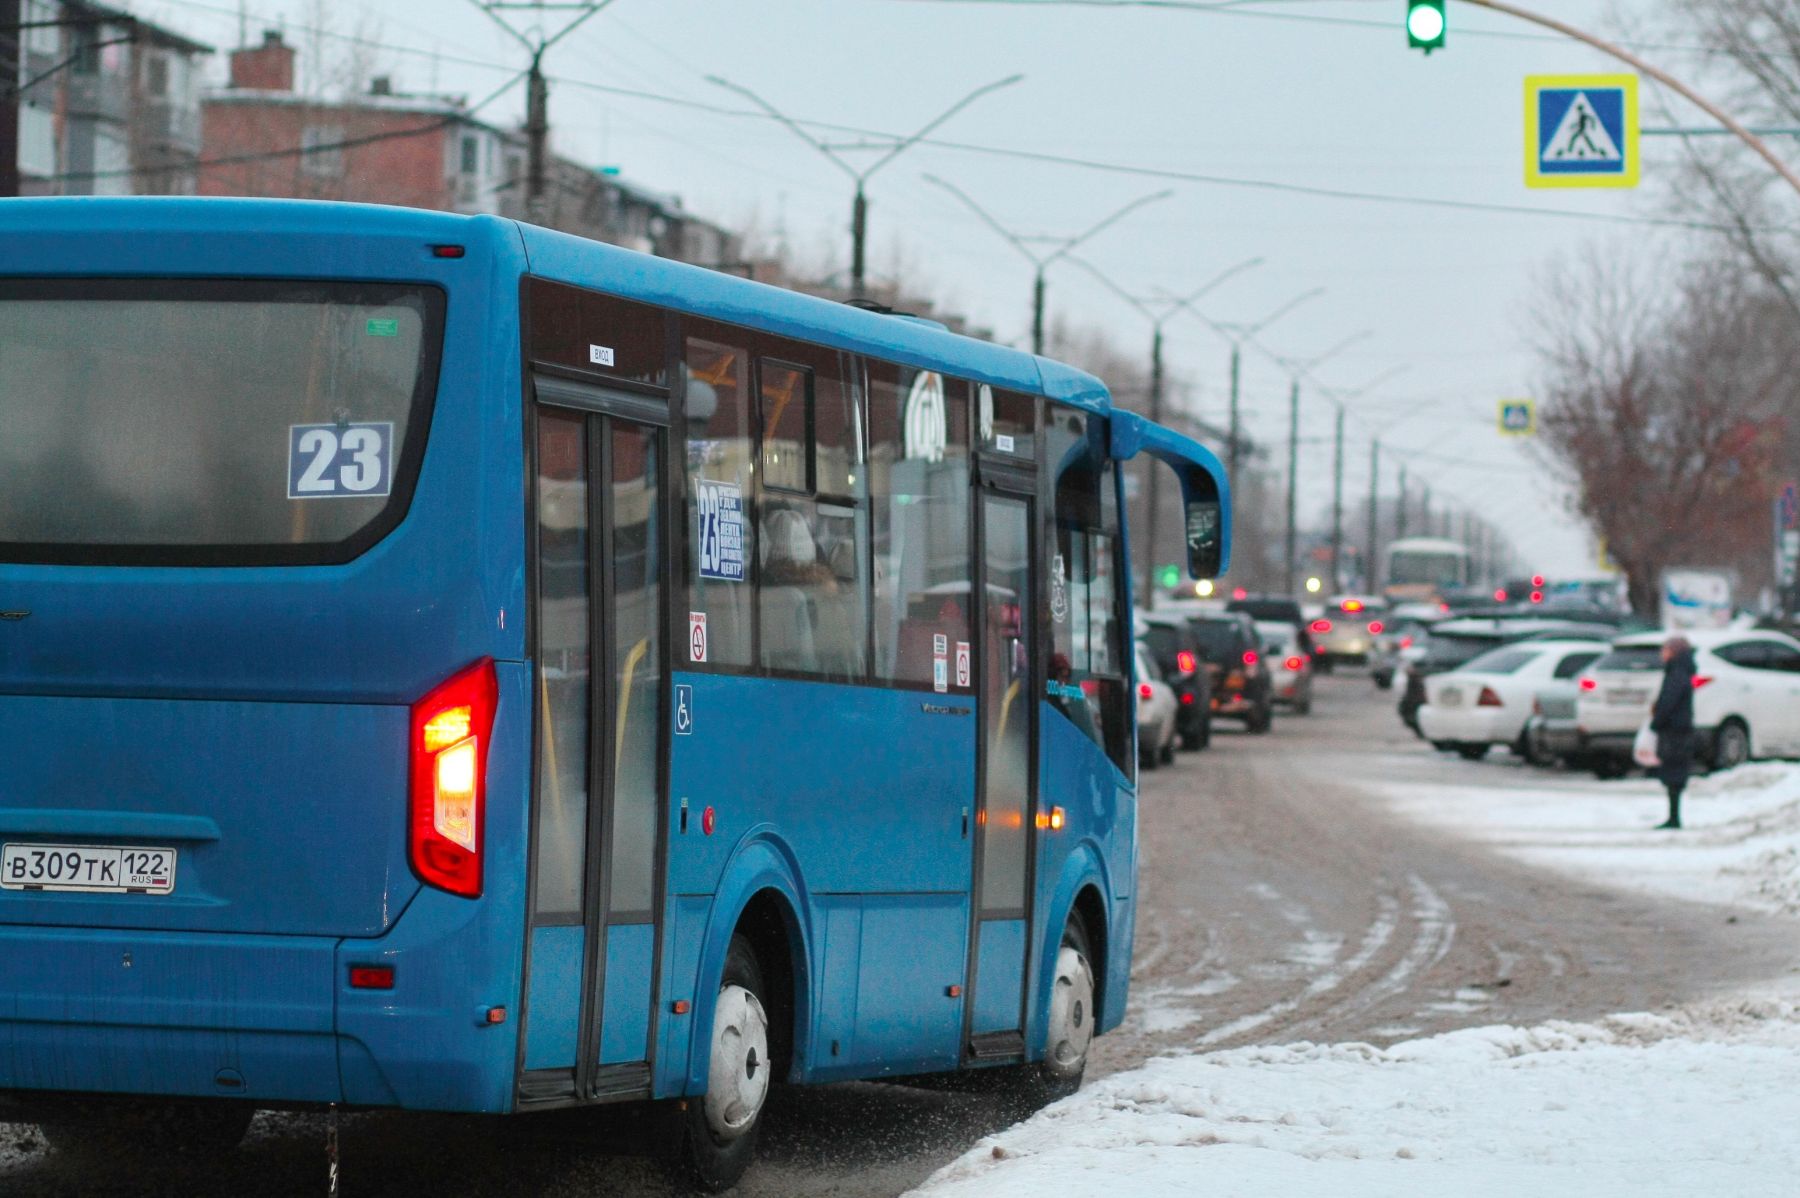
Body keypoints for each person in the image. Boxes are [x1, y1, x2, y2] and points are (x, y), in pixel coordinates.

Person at [1648, 635, 1696, 830]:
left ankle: (1674, 818)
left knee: (1673, 773)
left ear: (1674, 652)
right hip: (1678, 729)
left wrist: (1657, 721)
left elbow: (1669, 702)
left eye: (1665, 649)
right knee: (1674, 773)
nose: (1662, 654)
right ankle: (1673, 816)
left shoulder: (1676, 673)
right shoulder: (1681, 671)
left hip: (1675, 730)